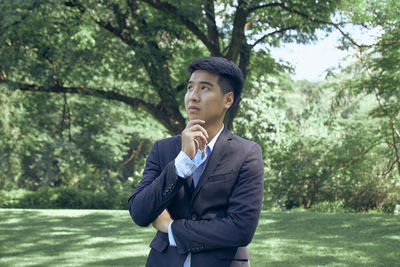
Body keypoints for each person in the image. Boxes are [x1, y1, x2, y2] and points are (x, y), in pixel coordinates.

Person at [128, 56, 264, 267]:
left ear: (228, 100)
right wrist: (181, 163)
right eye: (190, 87)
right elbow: (140, 212)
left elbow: (240, 228)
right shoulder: (163, 149)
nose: (193, 96)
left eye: (204, 88)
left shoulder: (247, 153)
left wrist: (172, 228)